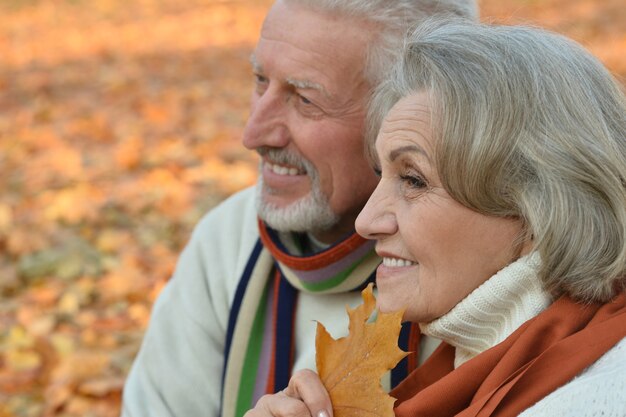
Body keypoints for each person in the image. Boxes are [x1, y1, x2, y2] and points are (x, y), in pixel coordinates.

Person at [243, 19, 626, 417]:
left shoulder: (596, 397)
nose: (366, 221)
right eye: (381, 175)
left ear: (538, 209)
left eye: (413, 180)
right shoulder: (472, 373)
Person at [121, 1, 479, 416]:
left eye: (305, 100)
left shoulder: (480, 265)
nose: (253, 134)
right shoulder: (227, 240)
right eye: (260, 80)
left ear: (411, 114)